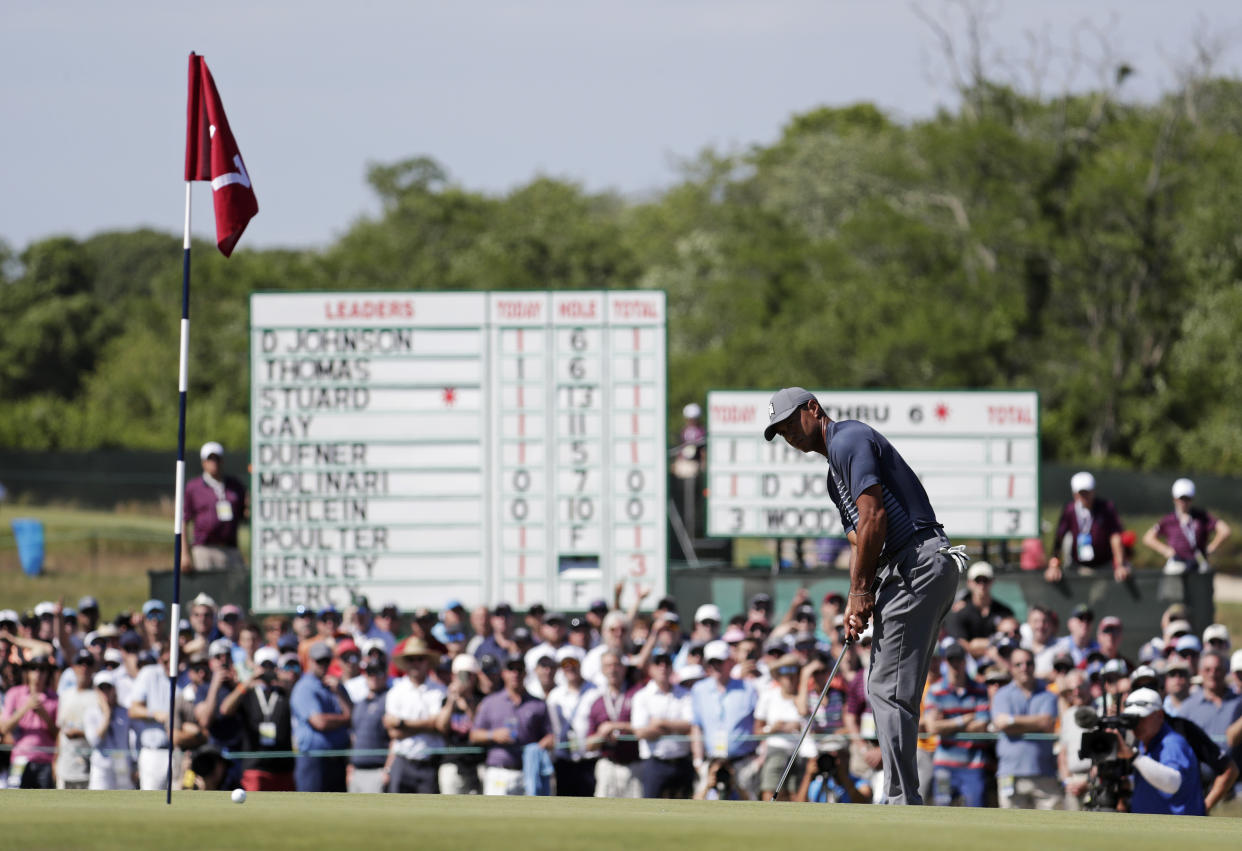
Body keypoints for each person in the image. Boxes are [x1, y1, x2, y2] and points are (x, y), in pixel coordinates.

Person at [764, 387, 966, 805]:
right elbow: (860, 541)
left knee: (887, 690)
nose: (787, 435)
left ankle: (899, 801)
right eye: (779, 431)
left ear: (812, 409)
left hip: (918, 560)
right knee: (892, 689)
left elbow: (875, 516)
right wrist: (862, 597)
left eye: (789, 424)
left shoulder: (847, 438)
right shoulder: (832, 475)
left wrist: (858, 592)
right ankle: (903, 797)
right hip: (905, 569)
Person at [470, 657, 554, 796]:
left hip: (528, 771)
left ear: (525, 673)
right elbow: (474, 735)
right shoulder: (490, 702)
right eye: (511, 670)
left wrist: (545, 743)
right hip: (499, 771)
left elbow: (549, 735)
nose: (515, 674)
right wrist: (493, 735)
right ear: (503, 673)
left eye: (519, 670)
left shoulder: (537, 704)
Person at [1116, 688, 1205, 816]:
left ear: (1159, 715)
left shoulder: (1172, 743)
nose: (1137, 724)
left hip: (1176, 831)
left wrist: (1134, 757)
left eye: (1142, 718)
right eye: (1133, 719)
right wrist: (1127, 783)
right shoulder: (1143, 743)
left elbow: (1173, 784)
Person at [218, 645, 295, 792]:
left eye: (270, 666)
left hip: (283, 767)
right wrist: (249, 680)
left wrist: (283, 679)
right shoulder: (248, 692)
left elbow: (298, 700)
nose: (266, 670)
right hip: (255, 767)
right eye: (263, 666)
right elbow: (225, 709)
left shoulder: (284, 692)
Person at [990, 648, 1060, 809]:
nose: (1024, 668)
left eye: (1028, 663)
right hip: (1010, 773)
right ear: (1011, 668)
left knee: (1051, 830)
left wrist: (1011, 720)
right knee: (1010, 830)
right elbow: (1001, 724)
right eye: (1018, 664)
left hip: (1044, 773)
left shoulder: (1048, 695)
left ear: (1034, 666)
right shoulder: (1002, 694)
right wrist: (1035, 723)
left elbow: (1047, 723)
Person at [924, 643, 990, 807]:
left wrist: (946, 723)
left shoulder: (980, 690)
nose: (955, 664)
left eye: (958, 660)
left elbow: (981, 726)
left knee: (976, 809)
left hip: (973, 764)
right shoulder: (935, 690)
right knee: (941, 810)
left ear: (964, 662)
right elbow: (932, 728)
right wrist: (964, 719)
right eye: (951, 660)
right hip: (944, 766)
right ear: (946, 662)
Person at [384, 636, 447, 794]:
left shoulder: (439, 690)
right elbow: (393, 731)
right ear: (406, 663)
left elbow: (439, 725)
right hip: (402, 760)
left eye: (420, 659)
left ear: (427, 662)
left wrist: (402, 723)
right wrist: (426, 725)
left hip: (429, 762)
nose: (415, 663)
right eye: (411, 659)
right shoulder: (396, 691)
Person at [631, 648, 695, 799]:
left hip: (682, 761)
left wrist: (660, 723)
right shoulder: (642, 696)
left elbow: (689, 726)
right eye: (658, 663)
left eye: (666, 663)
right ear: (650, 668)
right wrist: (674, 727)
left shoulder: (684, 694)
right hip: (655, 763)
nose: (663, 667)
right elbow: (641, 732)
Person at [290, 641, 352, 792]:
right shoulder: (305, 687)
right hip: (313, 760)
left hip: (336, 760)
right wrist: (345, 718)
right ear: (310, 661)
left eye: (326, 660)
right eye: (319, 661)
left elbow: (353, 716)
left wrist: (338, 693)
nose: (323, 665)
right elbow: (320, 722)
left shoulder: (336, 685)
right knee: (309, 813)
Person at [1045, 471, 1129, 582]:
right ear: (1074, 494)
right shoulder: (1070, 510)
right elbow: (1059, 539)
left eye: (1087, 492)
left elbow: (1115, 537)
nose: (1084, 496)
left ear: (1093, 491)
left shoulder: (1106, 508)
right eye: (1081, 493)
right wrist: (1053, 565)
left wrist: (1120, 565)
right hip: (1077, 566)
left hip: (1103, 566)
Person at [181, 441, 247, 573]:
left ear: (222, 461)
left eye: (217, 458)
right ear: (203, 462)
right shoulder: (194, 487)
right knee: (208, 591)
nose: (214, 462)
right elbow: (184, 520)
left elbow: (244, 513)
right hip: (204, 549)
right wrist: (184, 554)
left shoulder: (235, 486)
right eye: (210, 458)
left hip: (230, 548)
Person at [1142, 478, 1231, 575]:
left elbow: (1225, 530)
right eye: (1181, 499)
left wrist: (1211, 547)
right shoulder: (1169, 520)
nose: (1184, 502)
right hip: (1177, 563)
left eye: (1187, 499)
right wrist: (1165, 550)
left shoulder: (1202, 516)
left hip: (1199, 563)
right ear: (1175, 499)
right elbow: (1148, 538)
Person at [1176, 651, 1242, 774]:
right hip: (1201, 785)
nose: (1213, 674)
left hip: (1236, 784)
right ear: (1200, 672)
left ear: (1225, 672)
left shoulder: (1239, 703)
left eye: (1217, 669)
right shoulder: (1187, 708)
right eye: (1208, 670)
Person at [546, 645, 597, 796]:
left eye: (573, 663)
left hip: (588, 758)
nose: (569, 668)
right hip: (564, 759)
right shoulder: (555, 695)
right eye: (564, 665)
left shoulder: (595, 691)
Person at [0, 656, 58, 788]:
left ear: (47, 673)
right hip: (20, 758)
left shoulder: (55, 698)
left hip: (45, 760)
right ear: (27, 672)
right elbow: (4, 729)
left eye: (42, 669)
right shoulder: (14, 693)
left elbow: (57, 734)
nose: (37, 673)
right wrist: (25, 708)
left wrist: (44, 715)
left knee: (46, 805)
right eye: (33, 668)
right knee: (15, 801)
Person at [436, 653, 485, 794]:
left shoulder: (481, 700)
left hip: (476, 764)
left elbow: (479, 726)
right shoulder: (447, 700)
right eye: (461, 675)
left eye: (469, 675)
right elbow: (441, 727)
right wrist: (452, 699)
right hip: (452, 763)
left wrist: (468, 702)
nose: (465, 679)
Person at [947, 561, 1014, 659]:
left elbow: (1011, 639)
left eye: (985, 580)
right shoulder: (960, 613)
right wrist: (992, 644)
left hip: (1000, 661)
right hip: (967, 664)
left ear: (992, 581)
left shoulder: (1004, 612)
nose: (982, 584)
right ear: (969, 583)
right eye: (978, 580)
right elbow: (962, 645)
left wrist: (977, 644)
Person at [347, 656, 392, 793]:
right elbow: (354, 736)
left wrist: (388, 769)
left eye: (378, 672)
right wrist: (350, 766)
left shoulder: (390, 699)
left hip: (378, 769)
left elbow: (396, 739)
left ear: (385, 675)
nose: (373, 677)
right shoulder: (359, 703)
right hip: (357, 770)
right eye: (370, 672)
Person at [84, 669, 134, 790]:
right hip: (101, 767)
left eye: (108, 688)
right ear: (96, 690)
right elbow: (94, 741)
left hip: (122, 766)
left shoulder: (125, 712)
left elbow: (131, 740)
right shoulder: (90, 713)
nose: (105, 692)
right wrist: (106, 714)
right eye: (102, 688)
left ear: (114, 689)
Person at [55, 649, 97, 789]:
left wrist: (81, 733)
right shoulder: (65, 695)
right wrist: (55, 761)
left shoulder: (98, 697)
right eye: (80, 663)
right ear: (73, 667)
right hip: (66, 763)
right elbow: (60, 731)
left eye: (88, 664)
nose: (84, 668)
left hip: (90, 764)